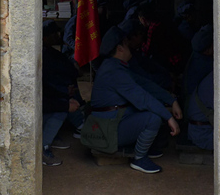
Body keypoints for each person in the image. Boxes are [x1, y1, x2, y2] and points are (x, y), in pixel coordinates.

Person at [83, 25, 180, 174]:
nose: (131, 49)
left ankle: (145, 147)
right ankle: (139, 158)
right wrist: (169, 117)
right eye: (127, 45)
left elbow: (145, 84)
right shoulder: (114, 71)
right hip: (107, 130)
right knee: (152, 118)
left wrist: (171, 100)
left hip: (113, 120)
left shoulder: (115, 66)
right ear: (120, 49)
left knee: (153, 108)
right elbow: (142, 97)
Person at [42, 21, 84, 166]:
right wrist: (64, 99)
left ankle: (52, 135)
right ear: (45, 37)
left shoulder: (51, 52)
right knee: (62, 108)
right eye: (54, 34)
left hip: (54, 93)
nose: (58, 36)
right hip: (39, 105)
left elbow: (68, 69)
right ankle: (43, 147)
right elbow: (44, 95)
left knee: (67, 101)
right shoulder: (42, 56)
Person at [184, 24, 214, 150]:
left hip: (199, 127)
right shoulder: (208, 69)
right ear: (207, 50)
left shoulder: (197, 61)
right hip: (203, 133)